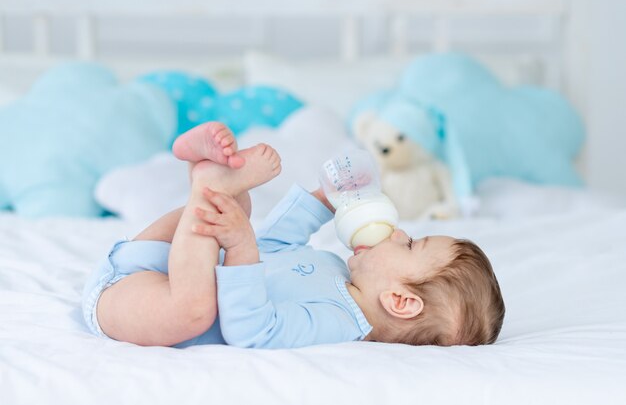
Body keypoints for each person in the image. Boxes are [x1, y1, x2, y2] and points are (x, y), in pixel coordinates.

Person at [82, 122, 505, 349]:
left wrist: (241, 246)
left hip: (132, 304)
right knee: (238, 211)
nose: (399, 232)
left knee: (195, 309)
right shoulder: (335, 270)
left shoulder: (338, 325)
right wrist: (327, 198)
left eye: (411, 245)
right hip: (167, 261)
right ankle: (207, 179)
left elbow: (255, 332)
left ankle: (205, 184)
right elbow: (275, 244)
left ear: (400, 301)